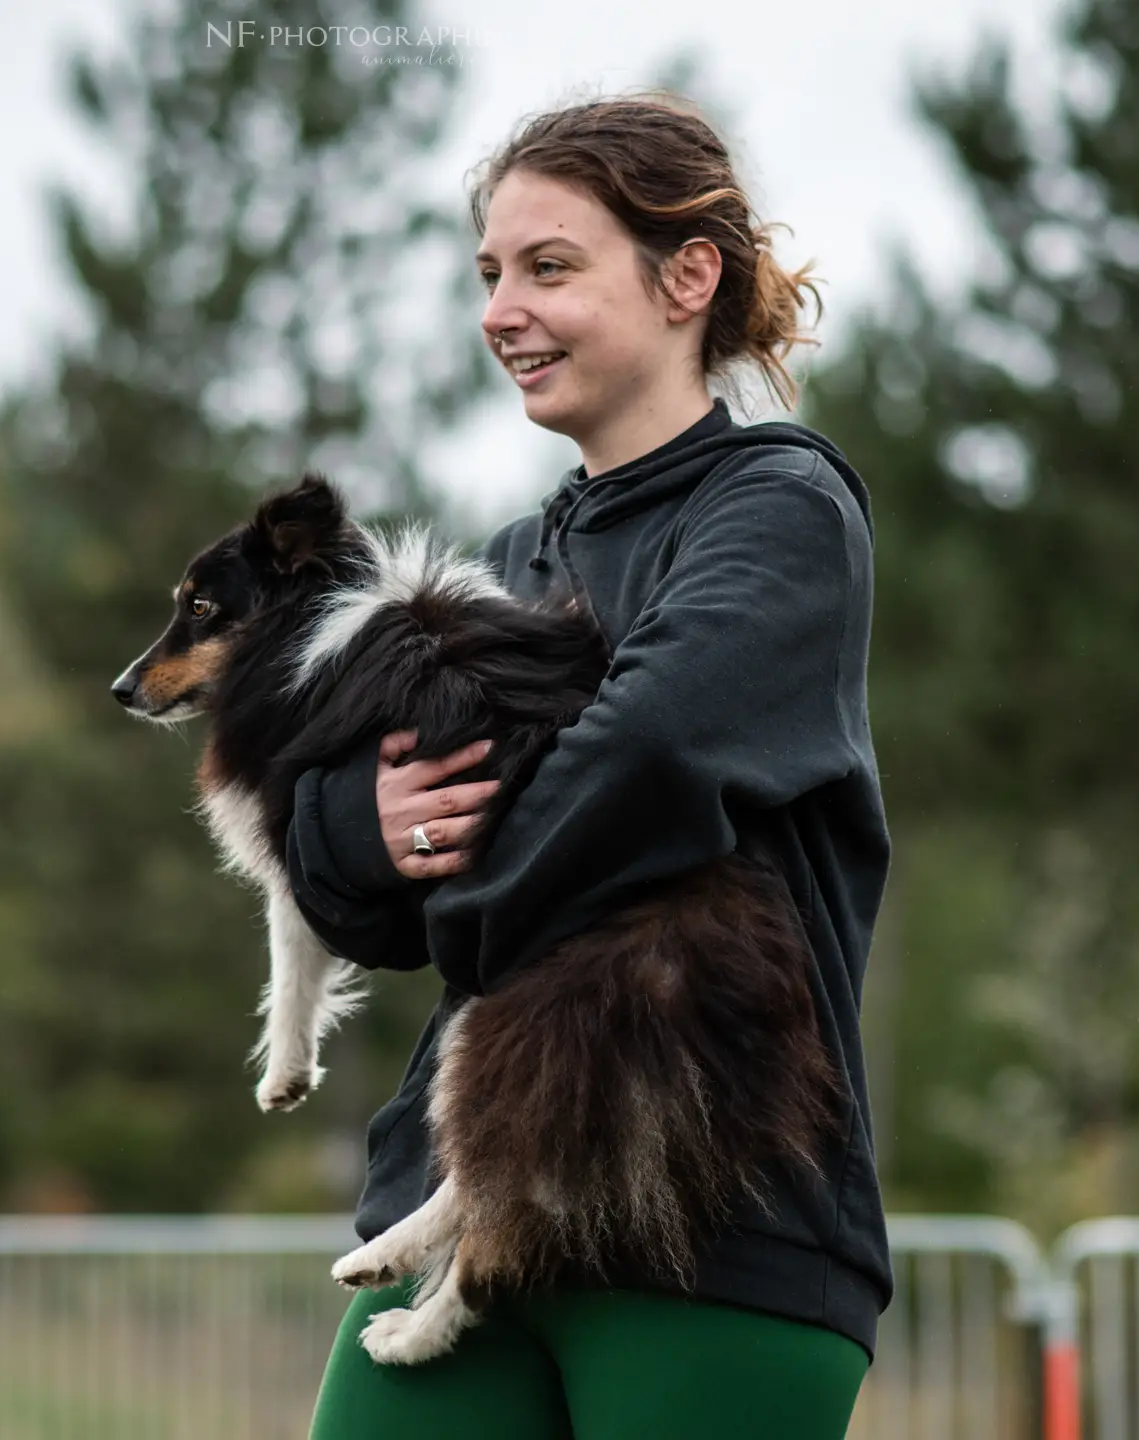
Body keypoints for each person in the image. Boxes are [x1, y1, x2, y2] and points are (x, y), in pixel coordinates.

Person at [286, 92, 894, 1439]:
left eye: (551, 268)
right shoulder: (505, 565)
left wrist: (454, 887)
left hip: (713, 1217)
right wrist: (381, 829)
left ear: (690, 278)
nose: (504, 308)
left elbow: (651, 748)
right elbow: (328, 809)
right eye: (490, 274)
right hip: (464, 1208)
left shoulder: (782, 507)